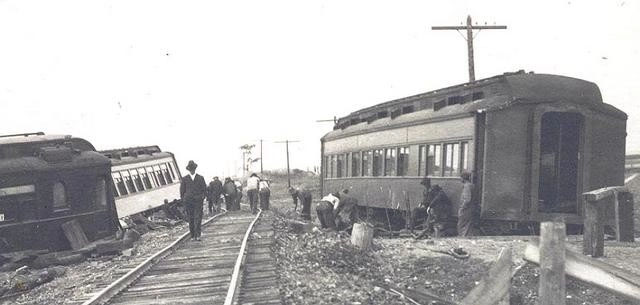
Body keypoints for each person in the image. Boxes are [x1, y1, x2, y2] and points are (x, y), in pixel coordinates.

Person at [180, 160, 206, 241]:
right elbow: (182, 191)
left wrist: (202, 197)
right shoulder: (184, 179)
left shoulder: (200, 178)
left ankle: (198, 235)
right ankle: (192, 235)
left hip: (198, 201)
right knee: (190, 218)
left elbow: (204, 189)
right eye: (190, 169)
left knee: (198, 217)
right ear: (188, 170)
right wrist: (184, 200)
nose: (192, 170)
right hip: (188, 201)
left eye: (193, 169)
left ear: (195, 169)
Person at [457, 171, 479, 236]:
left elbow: (467, 199)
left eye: (461, 178)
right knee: (468, 226)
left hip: (466, 210)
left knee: (461, 226)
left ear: (463, 178)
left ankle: (463, 238)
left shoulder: (467, 186)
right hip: (471, 208)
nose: (460, 179)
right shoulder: (472, 185)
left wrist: (462, 208)